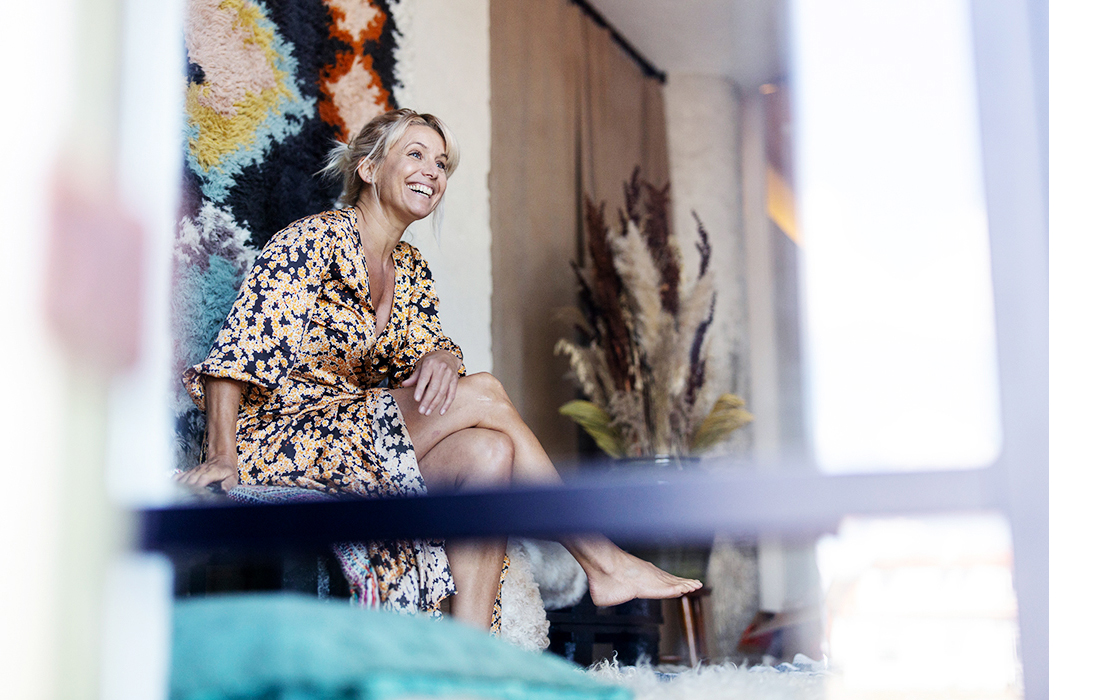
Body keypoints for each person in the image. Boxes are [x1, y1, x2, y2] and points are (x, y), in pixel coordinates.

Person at [178, 108, 702, 630]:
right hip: (278, 438)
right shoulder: (311, 241)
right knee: (487, 393)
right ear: (368, 169)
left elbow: (434, 357)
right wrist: (223, 455)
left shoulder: (409, 270)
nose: (433, 170)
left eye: (442, 163)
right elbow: (237, 354)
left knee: (489, 451)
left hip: (350, 446)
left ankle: (465, 658)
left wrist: (442, 357)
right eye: (415, 154)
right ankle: (603, 560)